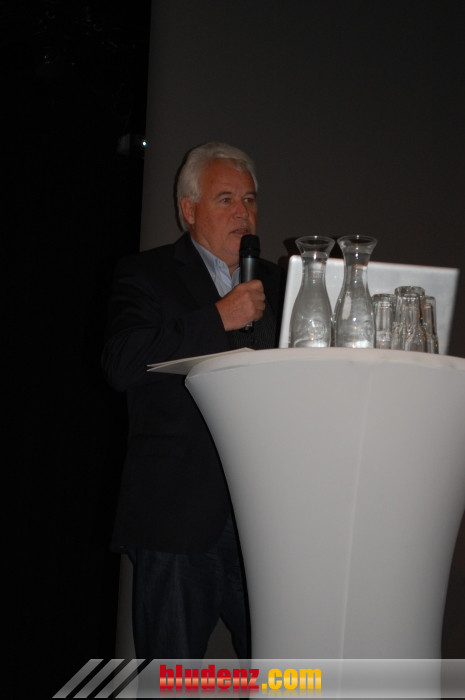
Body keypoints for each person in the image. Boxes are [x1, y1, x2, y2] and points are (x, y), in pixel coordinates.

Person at [102, 142, 286, 659]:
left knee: (283, 677)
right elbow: (121, 363)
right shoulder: (147, 273)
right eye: (226, 199)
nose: (242, 212)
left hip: (267, 518)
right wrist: (219, 317)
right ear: (189, 209)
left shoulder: (281, 281)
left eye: (249, 199)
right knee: (172, 683)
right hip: (177, 516)